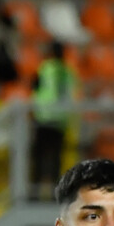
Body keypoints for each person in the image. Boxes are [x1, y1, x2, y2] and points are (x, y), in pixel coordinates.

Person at [32, 41, 78, 197]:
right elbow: (72, 95)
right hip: (61, 119)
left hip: (44, 118)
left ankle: (35, 192)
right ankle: (55, 193)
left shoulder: (46, 68)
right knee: (56, 158)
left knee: (39, 156)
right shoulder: (68, 72)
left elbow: (35, 88)